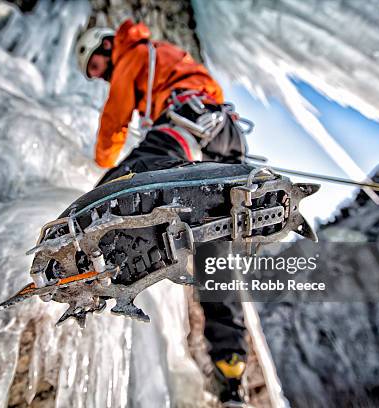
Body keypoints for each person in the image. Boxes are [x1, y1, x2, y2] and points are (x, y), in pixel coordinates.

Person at [75, 20, 251, 406]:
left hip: (188, 124)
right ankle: (231, 369)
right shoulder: (170, 57)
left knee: (119, 184)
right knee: (213, 256)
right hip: (227, 135)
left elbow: (114, 122)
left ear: (107, 47)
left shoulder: (133, 55)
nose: (101, 77)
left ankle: (78, 248)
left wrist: (99, 159)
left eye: (98, 67)